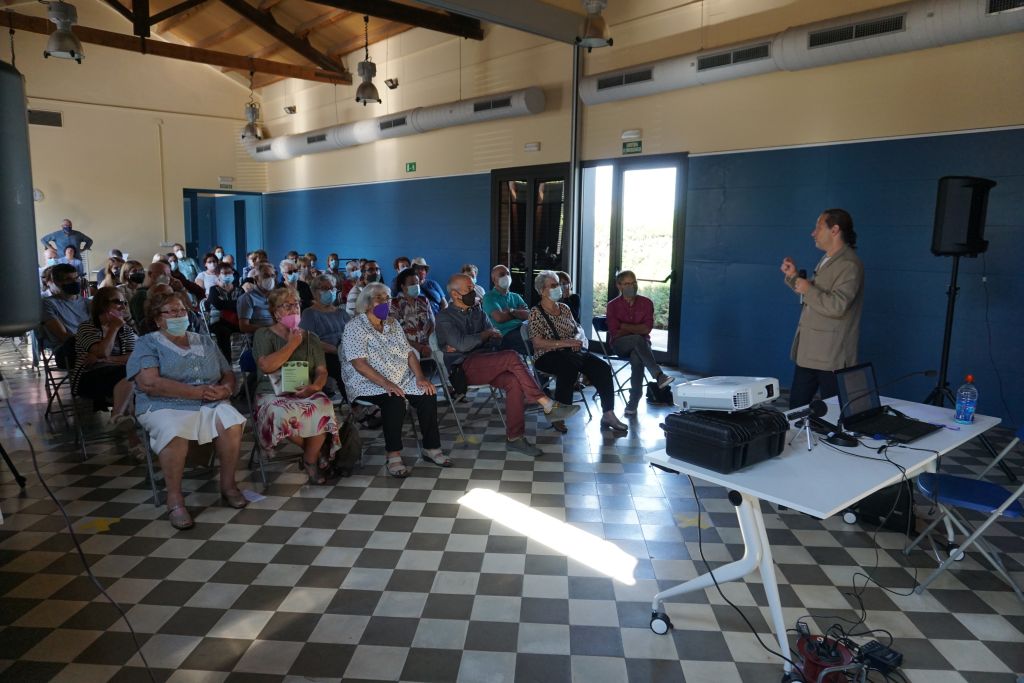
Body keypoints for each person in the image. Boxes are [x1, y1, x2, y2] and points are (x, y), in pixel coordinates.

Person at [127, 289, 248, 530]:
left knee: (231, 423)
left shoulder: (203, 340)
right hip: (163, 404)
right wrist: (196, 393)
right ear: (158, 318)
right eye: (171, 312)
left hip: (209, 401)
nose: (179, 315)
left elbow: (227, 372)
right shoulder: (147, 343)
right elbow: (149, 383)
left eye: (182, 310)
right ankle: (174, 498)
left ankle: (228, 485)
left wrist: (225, 390)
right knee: (174, 431)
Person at [436, 273, 579, 457]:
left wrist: (480, 338)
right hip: (463, 368)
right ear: (455, 294)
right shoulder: (444, 317)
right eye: (469, 289)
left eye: (473, 287)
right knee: (511, 356)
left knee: (514, 381)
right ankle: (547, 403)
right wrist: (484, 335)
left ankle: (515, 438)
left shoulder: (477, 311)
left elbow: (496, 338)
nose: (474, 291)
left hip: (488, 360)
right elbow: (464, 345)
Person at [343, 283, 448, 476]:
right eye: (379, 299)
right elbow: (359, 364)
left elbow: (409, 353)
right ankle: (393, 455)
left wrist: (420, 377)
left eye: (388, 298)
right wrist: (387, 384)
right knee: (395, 400)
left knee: (427, 393)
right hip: (368, 383)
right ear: (367, 303)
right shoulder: (355, 327)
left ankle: (431, 447)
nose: (385, 302)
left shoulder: (392, 324)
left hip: (400, 378)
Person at [252, 288, 344, 483]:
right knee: (281, 413)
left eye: (296, 304)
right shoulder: (263, 334)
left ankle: (310, 459)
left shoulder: (311, 338)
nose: (294, 309)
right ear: (275, 312)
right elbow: (266, 366)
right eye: (287, 306)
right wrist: (292, 344)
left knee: (322, 405)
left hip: (304, 390)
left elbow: (321, 371)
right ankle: (316, 454)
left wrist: (315, 387)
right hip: (273, 393)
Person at [781, 208, 864, 409]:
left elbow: (837, 306)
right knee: (796, 409)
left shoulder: (849, 264)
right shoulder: (829, 258)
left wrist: (808, 289)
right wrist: (793, 277)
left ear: (834, 230)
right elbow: (816, 295)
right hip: (810, 352)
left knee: (834, 413)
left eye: (818, 228)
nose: (813, 233)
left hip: (831, 356)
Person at [528, 272, 628, 433]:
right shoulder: (536, 312)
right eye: (553, 285)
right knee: (568, 368)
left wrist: (575, 341)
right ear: (542, 290)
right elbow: (537, 343)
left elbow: (576, 330)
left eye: (558, 284)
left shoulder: (564, 308)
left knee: (603, 368)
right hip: (546, 355)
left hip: (572, 352)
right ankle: (558, 415)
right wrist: (565, 343)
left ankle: (608, 414)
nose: (558, 288)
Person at [606, 270, 674, 416]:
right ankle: (658, 375)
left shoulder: (646, 303)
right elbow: (615, 332)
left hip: (642, 345)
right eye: (627, 284)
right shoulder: (612, 306)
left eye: (633, 283)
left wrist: (624, 326)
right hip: (620, 344)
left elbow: (646, 328)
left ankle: (633, 401)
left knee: (637, 356)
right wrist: (635, 330)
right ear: (619, 286)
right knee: (637, 339)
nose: (631, 286)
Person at [71, 286, 137, 421]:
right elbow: (102, 352)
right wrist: (114, 328)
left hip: (120, 374)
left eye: (124, 303)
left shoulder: (126, 330)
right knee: (133, 374)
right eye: (117, 302)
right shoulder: (86, 327)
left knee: (137, 372)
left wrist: (106, 359)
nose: (123, 307)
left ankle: (120, 419)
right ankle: (120, 418)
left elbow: (133, 357)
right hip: (89, 377)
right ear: (102, 304)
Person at [300, 274, 350, 393]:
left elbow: (353, 334)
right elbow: (309, 339)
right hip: (324, 355)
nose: (329, 291)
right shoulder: (309, 313)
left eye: (332, 288)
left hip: (346, 352)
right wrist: (337, 350)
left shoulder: (341, 312)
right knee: (342, 368)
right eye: (324, 288)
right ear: (314, 292)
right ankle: (352, 401)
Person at [40, 263, 90, 365]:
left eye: (76, 278)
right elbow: (63, 336)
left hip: (93, 344)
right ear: (57, 282)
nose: (75, 282)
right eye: (68, 279)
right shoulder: (48, 304)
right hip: (67, 349)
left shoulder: (88, 303)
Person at [482, 264, 529, 355]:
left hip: (522, 329)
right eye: (502, 274)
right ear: (494, 280)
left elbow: (528, 315)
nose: (506, 277)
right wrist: (517, 312)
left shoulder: (516, 296)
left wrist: (510, 311)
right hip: (504, 335)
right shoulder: (489, 297)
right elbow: (499, 318)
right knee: (535, 344)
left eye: (508, 274)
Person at [390, 267, 434, 363]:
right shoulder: (394, 305)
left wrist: (429, 343)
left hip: (428, 345)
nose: (416, 286)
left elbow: (432, 322)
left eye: (417, 283)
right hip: (407, 348)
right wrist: (419, 347)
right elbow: (394, 333)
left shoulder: (423, 300)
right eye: (412, 284)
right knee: (414, 357)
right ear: (403, 286)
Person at [208, 263, 242, 362]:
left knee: (252, 327)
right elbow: (218, 304)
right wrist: (234, 304)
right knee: (223, 331)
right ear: (218, 275)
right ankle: (227, 362)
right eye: (224, 273)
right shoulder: (214, 290)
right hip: (218, 321)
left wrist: (226, 305)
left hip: (236, 321)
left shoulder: (239, 290)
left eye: (229, 272)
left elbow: (243, 305)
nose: (227, 275)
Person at [237, 262, 276, 335]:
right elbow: (243, 326)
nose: (270, 279)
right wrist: (268, 330)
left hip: (275, 335)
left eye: (272, 276)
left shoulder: (275, 296)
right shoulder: (247, 298)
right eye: (266, 275)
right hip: (258, 337)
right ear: (256, 278)